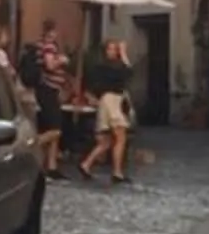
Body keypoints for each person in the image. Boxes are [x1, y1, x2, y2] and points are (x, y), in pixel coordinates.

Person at [77, 35, 136, 184]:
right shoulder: (109, 66)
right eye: (111, 49)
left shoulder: (103, 66)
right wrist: (124, 54)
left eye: (115, 49)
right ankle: (117, 173)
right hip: (111, 101)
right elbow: (129, 72)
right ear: (106, 51)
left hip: (108, 100)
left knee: (106, 141)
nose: (114, 51)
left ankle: (86, 164)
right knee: (120, 136)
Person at [25, 23, 72, 178]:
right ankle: (29, 147)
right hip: (48, 91)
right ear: (52, 32)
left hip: (51, 91)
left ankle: (52, 166)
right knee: (55, 130)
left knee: (53, 128)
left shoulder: (44, 46)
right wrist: (62, 61)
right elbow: (50, 65)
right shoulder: (49, 47)